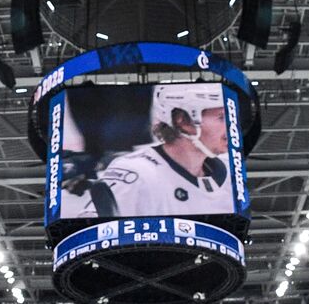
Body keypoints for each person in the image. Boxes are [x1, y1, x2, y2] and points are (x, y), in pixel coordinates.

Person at [67, 84, 234, 218]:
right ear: (182, 120)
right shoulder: (135, 172)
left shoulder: (231, 176)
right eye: (221, 118)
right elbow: (90, 230)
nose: (232, 126)